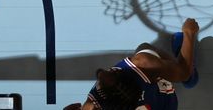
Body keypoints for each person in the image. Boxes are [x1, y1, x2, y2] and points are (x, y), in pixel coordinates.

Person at [63, 18, 200, 110]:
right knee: (147, 48)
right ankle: (190, 79)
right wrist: (189, 32)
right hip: (166, 101)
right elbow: (183, 72)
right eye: (112, 71)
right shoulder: (142, 63)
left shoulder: (94, 104)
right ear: (123, 75)